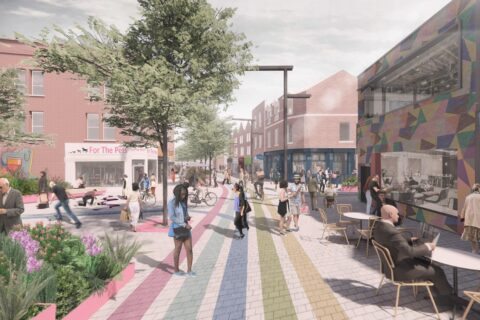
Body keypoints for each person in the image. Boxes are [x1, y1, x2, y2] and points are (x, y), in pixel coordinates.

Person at [373, 204, 456, 307]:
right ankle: (449, 301)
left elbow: (391, 242)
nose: (399, 216)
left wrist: (408, 240)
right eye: (397, 214)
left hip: (389, 267)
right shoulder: (391, 231)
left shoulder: (378, 226)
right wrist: (428, 247)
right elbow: (410, 252)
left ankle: (436, 294)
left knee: (428, 263)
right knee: (437, 271)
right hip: (399, 270)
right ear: (390, 215)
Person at [168, 184, 194, 276]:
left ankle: (189, 270)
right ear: (177, 193)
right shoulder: (171, 202)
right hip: (177, 228)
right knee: (178, 249)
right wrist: (183, 224)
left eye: (185, 194)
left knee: (189, 249)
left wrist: (187, 217)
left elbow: (184, 212)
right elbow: (172, 217)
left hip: (186, 228)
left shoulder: (184, 202)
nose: (183, 196)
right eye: (182, 194)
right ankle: (176, 270)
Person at [460, 183, 480, 253]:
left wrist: (462, 217)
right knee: (476, 237)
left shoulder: (468, 197)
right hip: (478, 220)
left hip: (470, 221)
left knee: (473, 238)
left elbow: (464, 208)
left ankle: (474, 250)